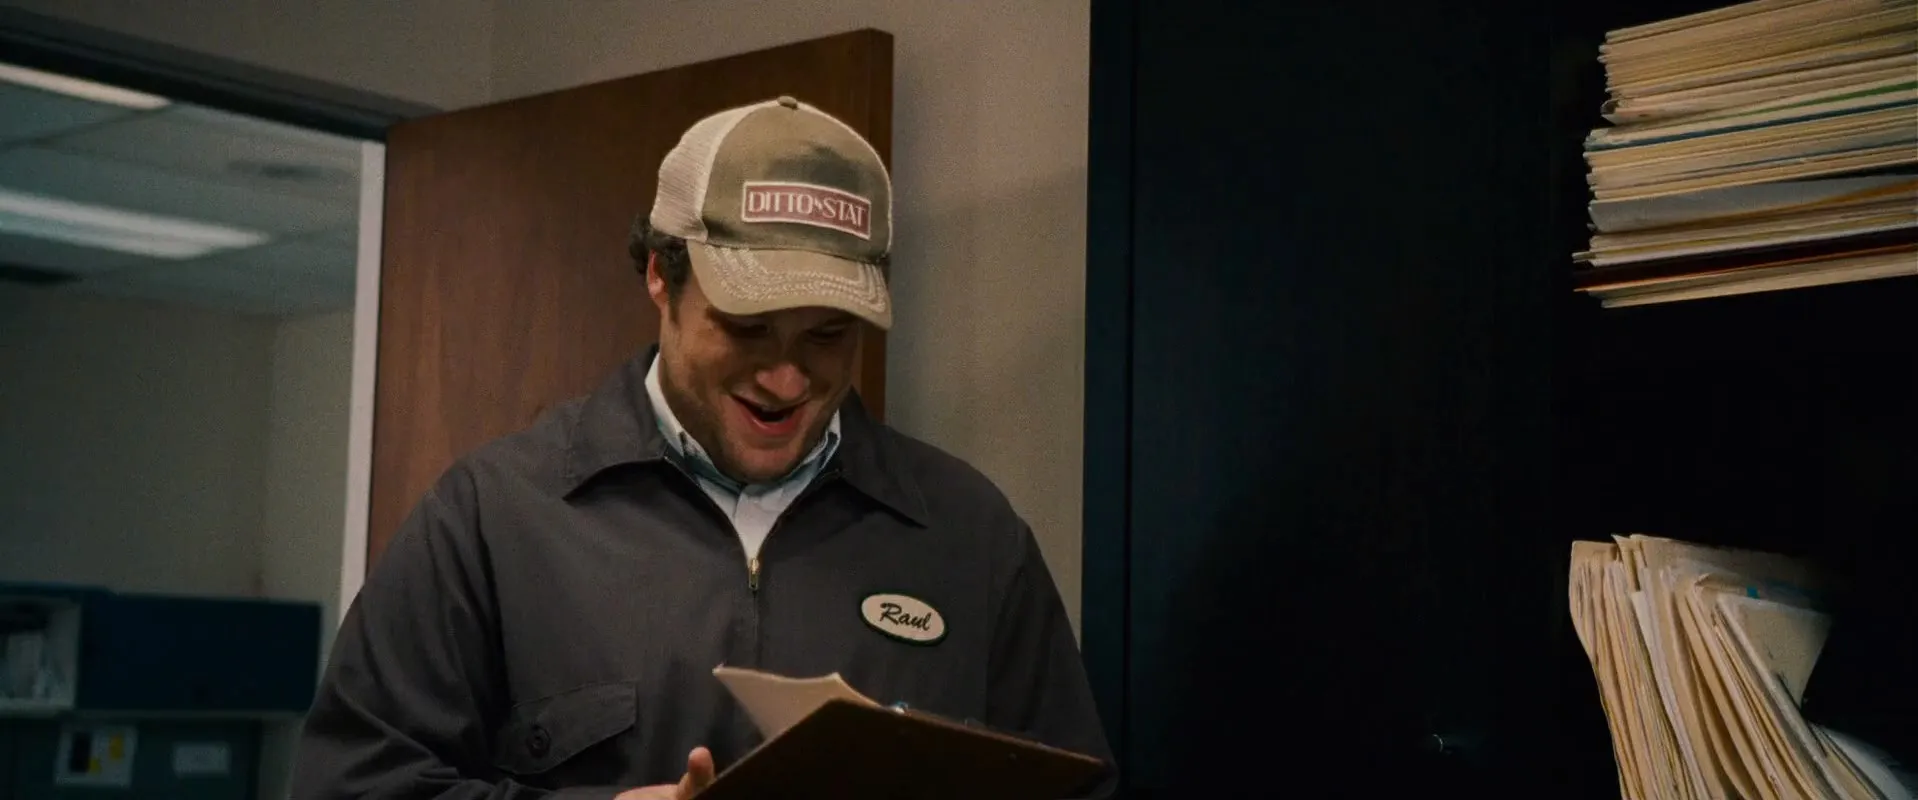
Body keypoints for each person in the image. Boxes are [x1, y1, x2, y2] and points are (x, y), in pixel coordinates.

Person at [290, 95, 1115, 799]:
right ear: (661, 274)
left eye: (828, 335)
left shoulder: (971, 536)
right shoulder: (493, 517)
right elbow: (347, 786)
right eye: (747, 327)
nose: (786, 378)